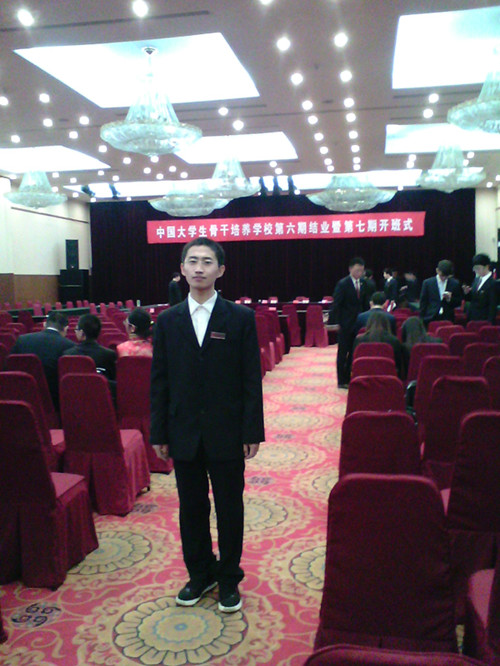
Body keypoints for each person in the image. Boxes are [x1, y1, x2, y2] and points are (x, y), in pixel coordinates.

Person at [150, 237, 265, 614]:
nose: (199, 268)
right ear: (182, 269)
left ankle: (229, 577)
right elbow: (160, 380)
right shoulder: (167, 321)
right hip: (183, 432)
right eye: (193, 261)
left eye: (207, 261)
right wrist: (159, 432)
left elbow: (250, 378)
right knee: (192, 508)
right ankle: (200, 573)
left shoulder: (240, 318)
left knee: (230, 508)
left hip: (227, 432)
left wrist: (252, 430)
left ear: (221, 270)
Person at [11, 310, 74, 409]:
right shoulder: (70, 346)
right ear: (66, 328)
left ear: (44, 324)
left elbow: (10, 367)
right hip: (54, 401)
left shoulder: (22, 340)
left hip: (23, 396)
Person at [328, 257, 370, 388]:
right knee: (343, 353)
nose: (359, 273)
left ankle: (349, 377)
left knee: (354, 352)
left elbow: (364, 303)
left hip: (359, 324)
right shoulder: (343, 284)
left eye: (361, 271)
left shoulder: (364, 283)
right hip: (345, 324)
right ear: (350, 269)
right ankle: (341, 381)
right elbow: (336, 304)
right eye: (357, 270)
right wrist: (334, 322)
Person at [63, 313, 117, 379]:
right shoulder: (109, 355)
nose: (75, 332)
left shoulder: (68, 354)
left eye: (76, 330)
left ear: (82, 333)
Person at [352, 310, 404, 377]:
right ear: (387, 324)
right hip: (387, 378)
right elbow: (398, 366)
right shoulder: (394, 341)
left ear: (368, 324)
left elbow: (353, 364)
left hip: (362, 377)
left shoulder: (359, 341)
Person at [419, 259, 462, 325]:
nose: (443, 278)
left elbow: (458, 302)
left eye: (446, 276)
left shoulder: (455, 283)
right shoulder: (427, 283)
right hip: (430, 317)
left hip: (447, 317)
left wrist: (450, 299)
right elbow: (423, 302)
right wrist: (421, 319)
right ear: (437, 270)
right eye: (442, 275)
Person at [463, 253, 497, 324]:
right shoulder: (476, 280)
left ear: (487, 267)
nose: (476, 271)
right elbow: (472, 299)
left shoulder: (493, 283)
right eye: (474, 268)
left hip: (484, 319)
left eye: (478, 268)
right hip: (472, 318)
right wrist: (467, 293)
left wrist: (490, 323)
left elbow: (493, 306)